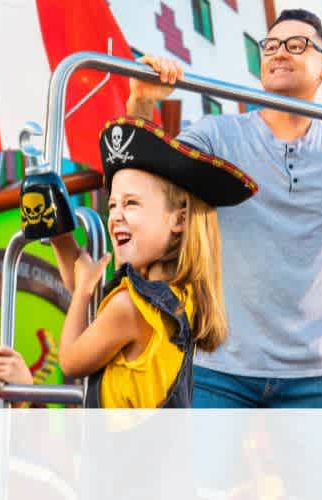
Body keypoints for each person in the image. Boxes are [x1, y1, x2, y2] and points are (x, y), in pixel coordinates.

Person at [127, 8, 322, 408]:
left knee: (318, 476)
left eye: (296, 45)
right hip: (218, 362)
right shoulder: (217, 135)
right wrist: (141, 103)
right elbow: (142, 186)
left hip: (313, 372)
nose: (279, 53)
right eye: (271, 45)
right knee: (203, 474)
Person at [48, 117, 257, 408]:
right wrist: (60, 238)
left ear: (180, 219)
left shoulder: (130, 307)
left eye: (131, 203)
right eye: (112, 205)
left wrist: (83, 290)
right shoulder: (180, 299)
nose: (116, 216)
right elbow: (99, 315)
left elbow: (71, 360)